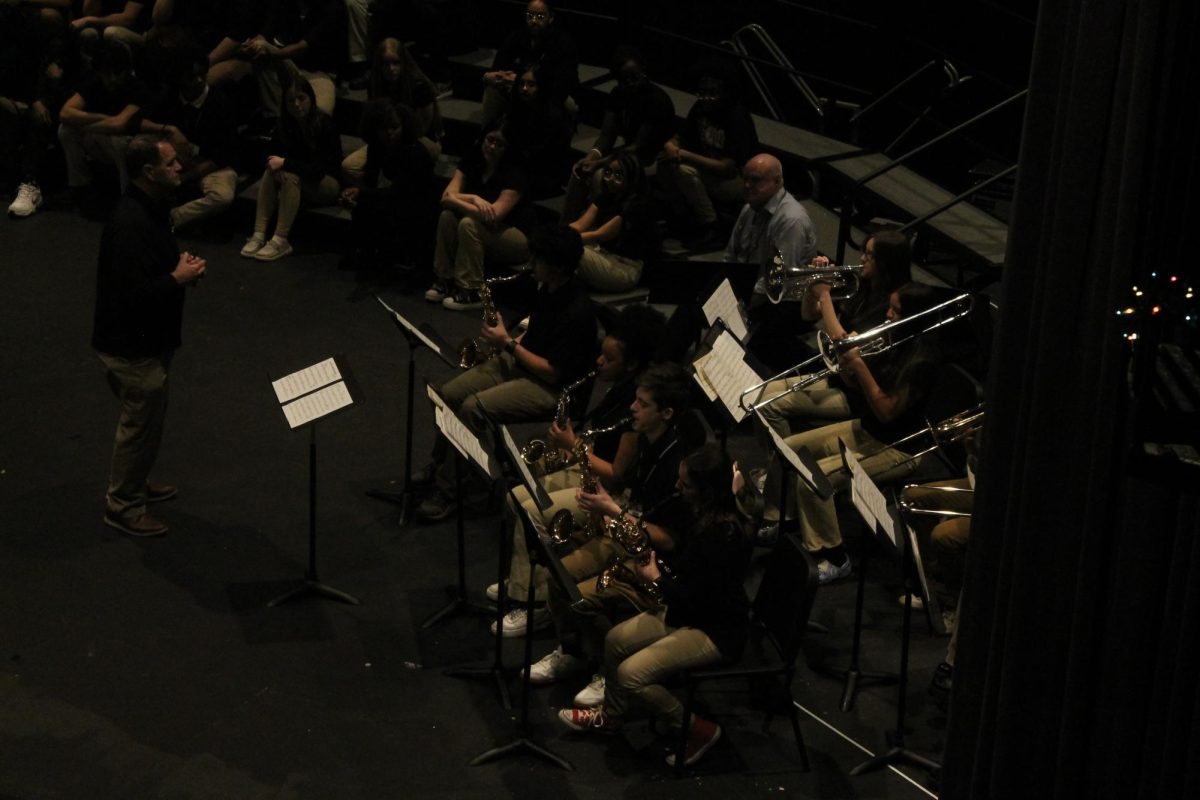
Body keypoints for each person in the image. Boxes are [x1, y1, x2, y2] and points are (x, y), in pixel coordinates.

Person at [557, 445, 755, 769]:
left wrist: (655, 578)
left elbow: (691, 595)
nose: (677, 489)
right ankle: (610, 717)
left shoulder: (721, 535)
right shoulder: (711, 511)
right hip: (692, 611)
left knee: (630, 676)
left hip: (716, 630)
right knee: (615, 640)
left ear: (707, 491)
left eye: (686, 485)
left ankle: (697, 729)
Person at [526, 363, 698, 708]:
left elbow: (671, 540)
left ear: (666, 413)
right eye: (635, 400)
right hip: (628, 533)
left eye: (642, 404)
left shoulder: (675, 464)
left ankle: (610, 668)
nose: (632, 408)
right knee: (557, 578)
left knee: (580, 596)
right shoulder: (644, 440)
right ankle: (574, 652)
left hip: (654, 560)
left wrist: (615, 513)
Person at [490, 303, 667, 636]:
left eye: (609, 359)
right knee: (517, 496)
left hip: (607, 491)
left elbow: (616, 474)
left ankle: (534, 603)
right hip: (591, 469)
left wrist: (572, 445)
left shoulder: (638, 404)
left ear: (631, 364)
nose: (599, 362)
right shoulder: (624, 386)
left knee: (527, 509)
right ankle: (523, 580)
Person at [414, 225, 599, 521]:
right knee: (445, 393)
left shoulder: (578, 312)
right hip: (525, 364)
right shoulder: (547, 287)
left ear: (558, 267)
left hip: (557, 389)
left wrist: (507, 344)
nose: (530, 265)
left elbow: (553, 373)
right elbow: (537, 335)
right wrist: (503, 346)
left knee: (473, 409)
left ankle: (450, 490)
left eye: (537, 260)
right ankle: (442, 463)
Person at [769, 282, 949, 583]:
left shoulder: (923, 362)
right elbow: (861, 391)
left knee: (814, 480)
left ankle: (836, 556)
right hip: (867, 429)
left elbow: (887, 412)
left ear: (915, 316)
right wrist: (848, 368)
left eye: (896, 310)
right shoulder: (895, 340)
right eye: (890, 306)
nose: (888, 314)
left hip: (899, 447)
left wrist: (859, 365)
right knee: (789, 449)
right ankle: (782, 520)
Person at [92, 134, 206, 537]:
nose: (180, 167)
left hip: (149, 340)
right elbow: (130, 295)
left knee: (148, 422)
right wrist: (177, 277)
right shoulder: (129, 223)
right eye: (171, 162)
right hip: (132, 347)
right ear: (148, 171)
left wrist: (177, 267)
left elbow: (149, 270)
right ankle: (122, 505)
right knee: (138, 425)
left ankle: (135, 484)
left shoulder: (152, 209)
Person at [756, 229, 913, 439]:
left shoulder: (893, 305)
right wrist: (813, 285)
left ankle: (784, 464)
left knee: (771, 406)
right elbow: (808, 315)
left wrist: (825, 293)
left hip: (856, 393)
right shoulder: (860, 286)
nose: (862, 259)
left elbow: (845, 343)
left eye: (869, 255)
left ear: (886, 262)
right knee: (760, 393)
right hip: (834, 376)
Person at [425, 122, 535, 310]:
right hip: (485, 229)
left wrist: (456, 200)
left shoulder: (515, 173)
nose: (492, 146)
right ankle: (444, 279)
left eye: (499, 144)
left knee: (468, 223)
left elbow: (493, 215)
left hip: (515, 237)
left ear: (508, 148)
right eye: (489, 140)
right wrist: (474, 198)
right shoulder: (472, 160)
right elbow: (446, 198)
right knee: (447, 217)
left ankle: (471, 291)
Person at [723, 152, 818, 370]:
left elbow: (776, 281)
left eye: (755, 180)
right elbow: (730, 256)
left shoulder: (791, 220)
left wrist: (740, 305)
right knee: (694, 304)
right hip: (752, 287)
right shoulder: (749, 209)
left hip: (786, 300)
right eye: (745, 178)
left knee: (752, 344)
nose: (747, 185)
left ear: (777, 181)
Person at [560, 46, 674, 222]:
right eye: (625, 80)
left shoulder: (657, 100)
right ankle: (567, 224)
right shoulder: (617, 95)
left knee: (601, 176)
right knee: (579, 170)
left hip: (653, 157)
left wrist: (600, 163)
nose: (631, 83)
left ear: (643, 71)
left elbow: (639, 146)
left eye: (635, 77)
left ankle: (598, 226)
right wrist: (592, 156)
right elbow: (607, 134)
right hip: (626, 153)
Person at [240, 75, 342, 262]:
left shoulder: (325, 125)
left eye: (301, 98)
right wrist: (279, 166)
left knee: (289, 175)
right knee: (273, 171)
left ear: (311, 99)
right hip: (300, 178)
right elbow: (269, 154)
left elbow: (319, 170)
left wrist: (285, 164)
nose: (296, 104)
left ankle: (280, 239)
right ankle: (259, 233)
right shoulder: (285, 124)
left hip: (327, 183)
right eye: (291, 101)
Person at [657, 67, 758, 250]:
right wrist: (670, 145)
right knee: (665, 163)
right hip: (711, 171)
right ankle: (680, 218)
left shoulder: (736, 117)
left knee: (684, 170)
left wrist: (687, 156)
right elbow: (682, 136)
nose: (706, 98)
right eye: (703, 93)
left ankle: (711, 228)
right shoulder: (700, 108)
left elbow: (727, 167)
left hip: (740, 180)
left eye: (712, 93)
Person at [147, 46, 239, 231]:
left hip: (211, 164)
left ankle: (172, 218)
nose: (198, 81)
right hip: (175, 160)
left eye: (202, 75)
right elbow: (138, 121)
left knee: (222, 196)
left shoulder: (221, 103)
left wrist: (188, 176)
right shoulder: (169, 96)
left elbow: (223, 155)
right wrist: (169, 129)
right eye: (191, 76)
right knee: (138, 149)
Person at [338, 99, 436, 271]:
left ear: (404, 126)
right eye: (384, 129)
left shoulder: (414, 151)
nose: (389, 133)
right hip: (397, 195)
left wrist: (363, 192)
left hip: (418, 204)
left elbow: (401, 191)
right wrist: (356, 191)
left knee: (375, 205)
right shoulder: (377, 146)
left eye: (394, 128)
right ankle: (362, 253)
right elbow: (371, 179)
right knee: (363, 204)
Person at [57, 39, 152, 199]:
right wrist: (103, 118)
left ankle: (128, 197)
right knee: (65, 130)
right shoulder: (94, 83)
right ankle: (80, 187)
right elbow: (65, 113)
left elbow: (119, 124)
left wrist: (86, 125)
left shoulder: (137, 87)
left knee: (120, 141)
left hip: (130, 143)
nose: (113, 79)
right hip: (100, 137)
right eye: (107, 74)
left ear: (126, 71)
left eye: (118, 73)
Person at [340, 37, 442, 185]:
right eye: (385, 64)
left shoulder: (419, 87)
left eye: (396, 63)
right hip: (387, 137)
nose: (391, 69)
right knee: (348, 167)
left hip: (418, 141)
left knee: (398, 167)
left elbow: (422, 129)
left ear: (403, 62)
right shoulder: (376, 84)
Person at [568, 151, 659, 293]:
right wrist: (556, 232)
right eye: (608, 172)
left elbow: (600, 235)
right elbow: (580, 225)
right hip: (604, 254)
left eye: (618, 175)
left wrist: (561, 239)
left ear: (631, 177)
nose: (610, 179)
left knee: (569, 249)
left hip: (626, 267)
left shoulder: (638, 205)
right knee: (559, 247)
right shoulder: (607, 196)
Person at [480, 0, 577, 127]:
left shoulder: (562, 42)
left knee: (568, 106)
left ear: (551, 18)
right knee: (493, 89)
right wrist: (489, 76)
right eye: (530, 16)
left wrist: (523, 80)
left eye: (540, 16)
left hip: (550, 92)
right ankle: (487, 133)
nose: (534, 21)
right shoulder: (516, 36)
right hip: (517, 88)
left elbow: (564, 81)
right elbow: (499, 67)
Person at [503, 62, 573, 199]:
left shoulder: (554, 116)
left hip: (545, 173)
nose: (524, 89)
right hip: (524, 167)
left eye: (531, 85)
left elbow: (546, 156)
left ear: (541, 87)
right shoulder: (516, 111)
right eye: (521, 83)